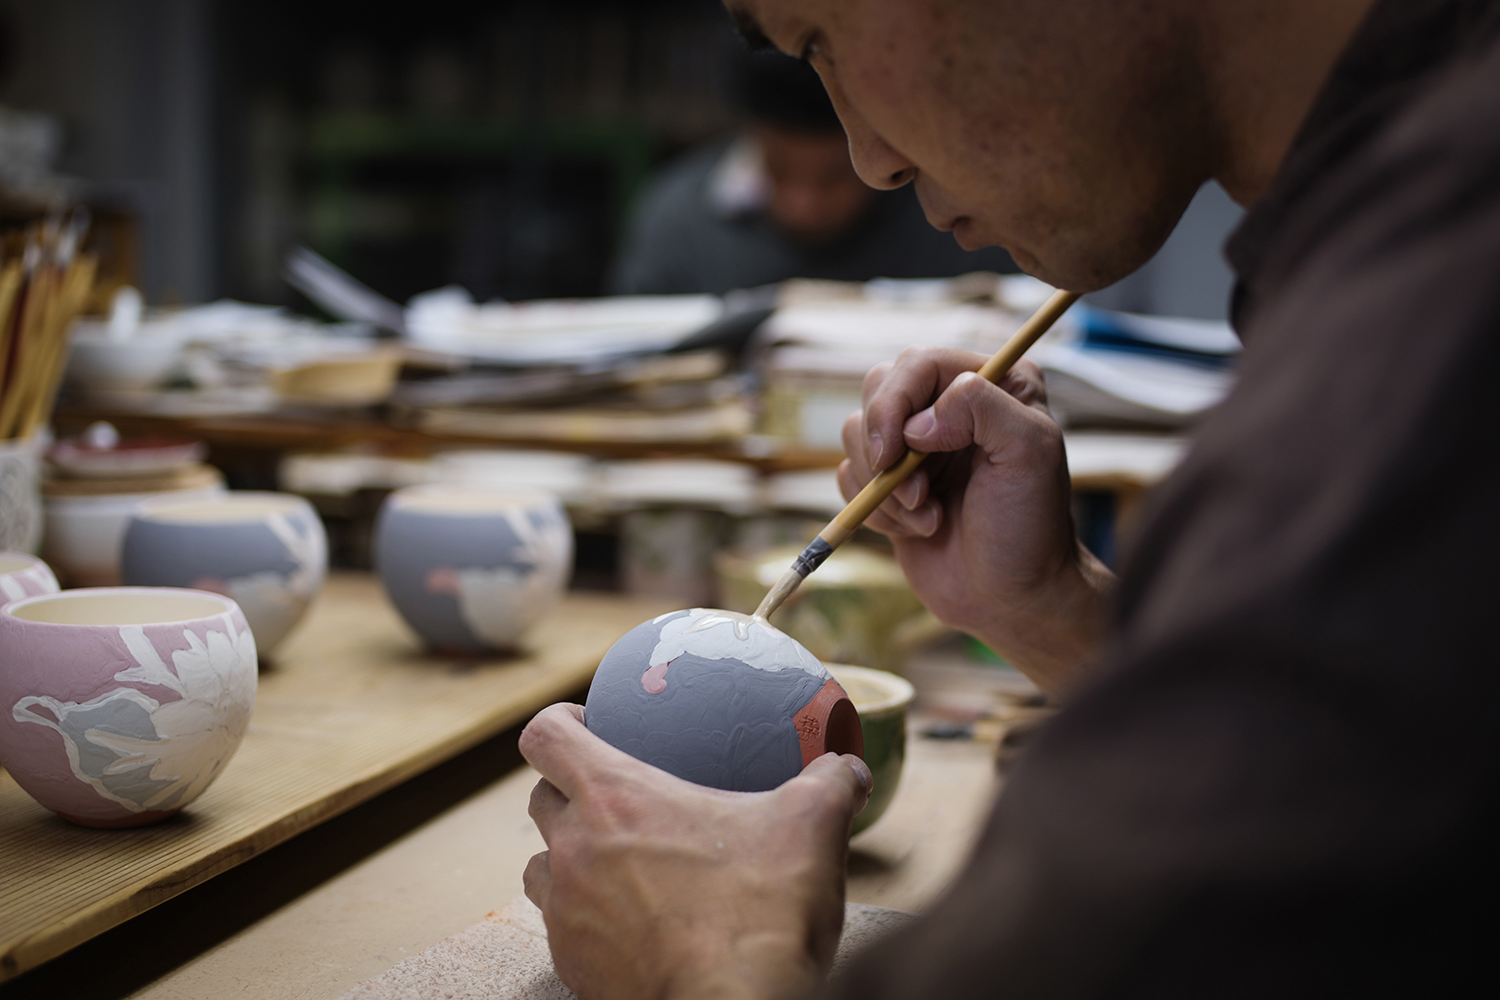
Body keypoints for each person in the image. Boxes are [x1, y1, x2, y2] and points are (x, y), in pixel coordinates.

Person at [522, 0, 1500, 996]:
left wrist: (712, 965)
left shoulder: (1447, 297)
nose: (872, 163)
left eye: (824, 39)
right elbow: (1325, 798)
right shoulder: (1382, 214)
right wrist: (1047, 603)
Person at [608, 51, 1015, 295]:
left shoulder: (955, 222)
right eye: (776, 168)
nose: (803, 205)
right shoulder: (678, 222)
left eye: (836, 175)